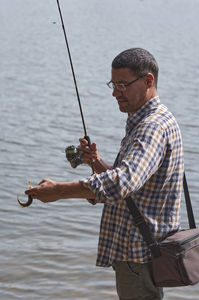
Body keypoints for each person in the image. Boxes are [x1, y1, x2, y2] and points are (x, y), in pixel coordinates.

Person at [25, 48, 184, 300]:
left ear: (148, 81)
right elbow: (134, 186)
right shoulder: (152, 120)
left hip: (137, 256)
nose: (114, 92)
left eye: (122, 85)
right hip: (140, 254)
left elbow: (122, 183)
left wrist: (59, 191)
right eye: (113, 84)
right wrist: (97, 163)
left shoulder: (152, 128)